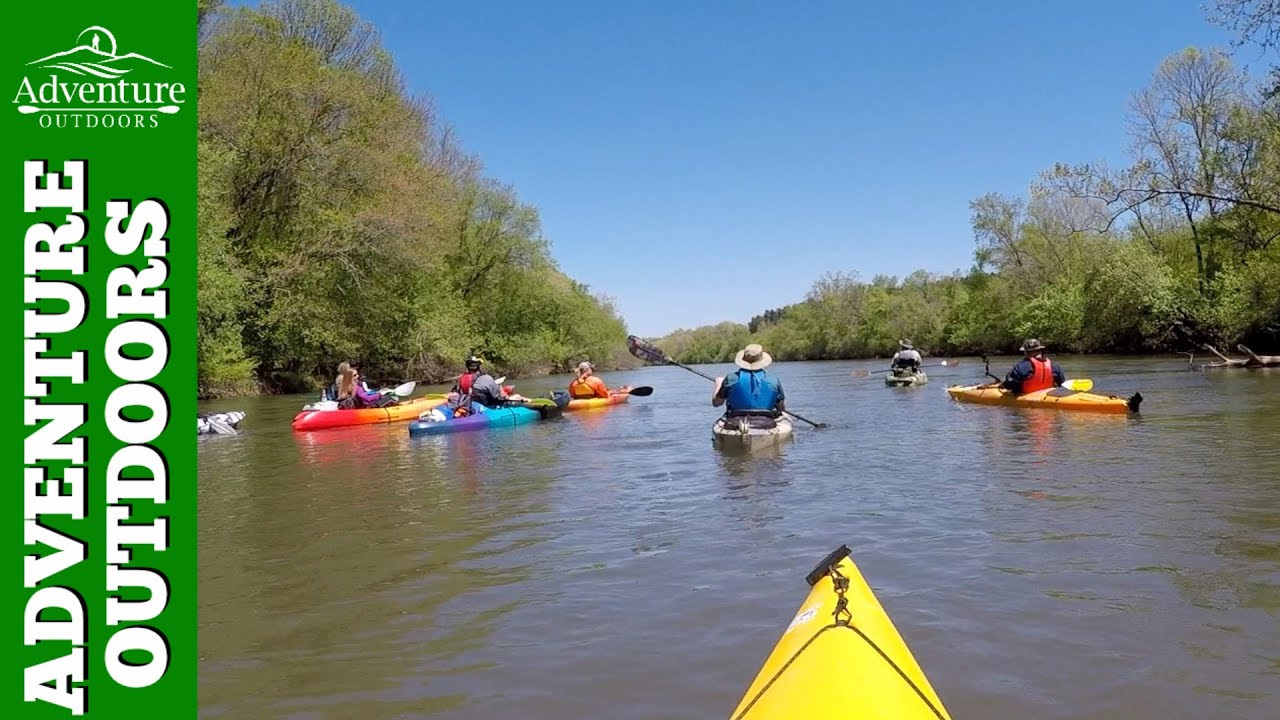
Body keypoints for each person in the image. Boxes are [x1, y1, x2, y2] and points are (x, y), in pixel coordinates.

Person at [712, 343, 786, 418]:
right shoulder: (773, 380)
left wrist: (719, 384)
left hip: (736, 421)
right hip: (767, 421)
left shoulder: (731, 378)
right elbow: (781, 408)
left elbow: (716, 403)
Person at [449, 355, 523, 416]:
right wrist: (501, 389)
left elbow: (456, 393)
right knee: (517, 396)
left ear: (467, 366)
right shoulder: (486, 378)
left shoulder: (461, 378)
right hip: (487, 406)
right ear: (479, 366)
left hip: (470, 405)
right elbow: (500, 397)